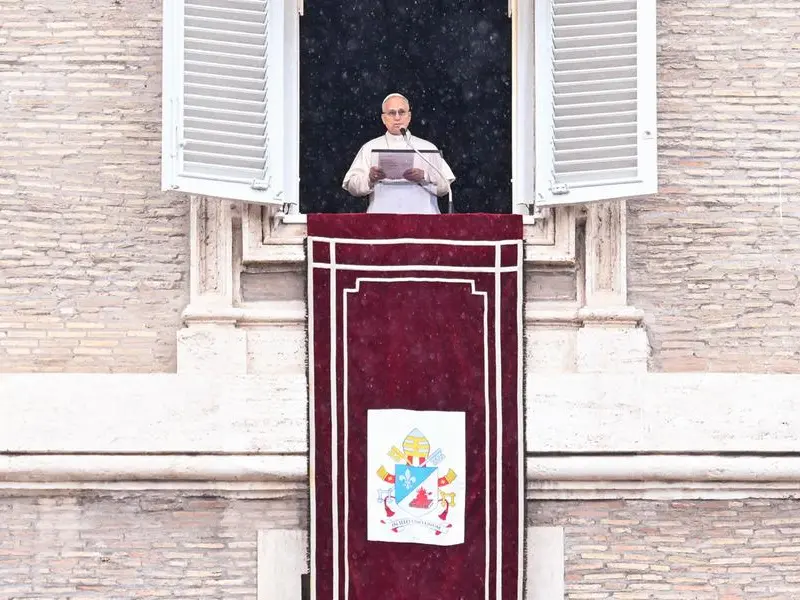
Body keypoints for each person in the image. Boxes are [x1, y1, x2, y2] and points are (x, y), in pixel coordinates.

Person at [342, 93, 455, 214]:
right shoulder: (369, 148)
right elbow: (352, 187)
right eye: (391, 113)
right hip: (382, 223)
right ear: (383, 118)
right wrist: (370, 178)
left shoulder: (427, 148)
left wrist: (424, 176)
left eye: (401, 112)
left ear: (409, 116)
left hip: (423, 223)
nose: (397, 118)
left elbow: (445, 188)